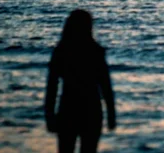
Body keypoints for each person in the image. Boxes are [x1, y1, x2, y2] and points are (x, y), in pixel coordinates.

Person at [45, 9, 116, 153]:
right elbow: (105, 86)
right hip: (92, 111)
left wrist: (49, 115)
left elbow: (52, 87)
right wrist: (111, 114)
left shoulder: (62, 51)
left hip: (68, 109)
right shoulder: (95, 51)